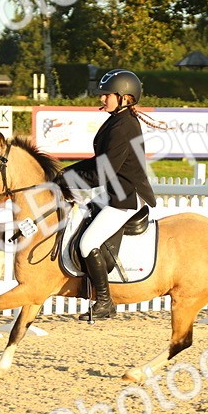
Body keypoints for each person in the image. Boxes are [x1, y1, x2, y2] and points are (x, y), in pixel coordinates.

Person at [60, 69, 158, 320]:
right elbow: (97, 162)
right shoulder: (118, 120)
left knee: (87, 242)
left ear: (124, 97)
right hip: (113, 192)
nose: (102, 99)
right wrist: (63, 174)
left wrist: (68, 181)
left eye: (107, 95)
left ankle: (104, 301)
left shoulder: (124, 126)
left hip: (126, 198)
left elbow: (104, 171)